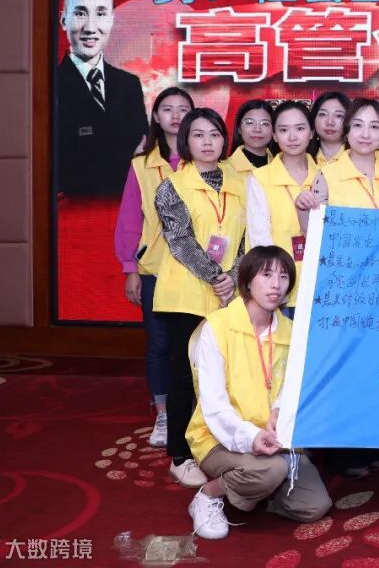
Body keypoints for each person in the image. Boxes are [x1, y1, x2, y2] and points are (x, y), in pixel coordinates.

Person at [185, 246, 332, 539]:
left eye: (283, 276)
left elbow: (293, 387)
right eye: (266, 275)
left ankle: (257, 490)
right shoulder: (217, 327)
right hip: (219, 437)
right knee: (271, 470)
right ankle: (209, 494)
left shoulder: (291, 332)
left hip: (276, 440)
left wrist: (279, 412)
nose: (276, 284)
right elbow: (213, 405)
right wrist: (251, 436)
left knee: (315, 506)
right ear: (247, 281)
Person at [297, 97, 379, 479]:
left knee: (378, 367)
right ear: (346, 131)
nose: (365, 133)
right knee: (345, 371)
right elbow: (313, 234)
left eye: (374, 126)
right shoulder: (328, 174)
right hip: (344, 288)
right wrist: (303, 208)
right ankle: (342, 453)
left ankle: (373, 443)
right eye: (357, 125)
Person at [153, 107, 246, 489]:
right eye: (198, 135)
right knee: (183, 377)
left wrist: (234, 277)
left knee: (224, 376)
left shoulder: (240, 182)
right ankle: (180, 455)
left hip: (228, 297)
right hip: (186, 295)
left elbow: (247, 237)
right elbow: (180, 240)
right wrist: (216, 276)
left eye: (215, 134)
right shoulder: (171, 186)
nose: (208, 142)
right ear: (185, 141)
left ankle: (216, 446)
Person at [114, 87, 193, 448]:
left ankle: (197, 413)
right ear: (156, 117)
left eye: (183, 109)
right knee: (160, 343)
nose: (175, 115)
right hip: (156, 269)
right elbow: (130, 220)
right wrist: (130, 267)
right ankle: (162, 413)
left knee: (197, 343)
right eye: (167, 109)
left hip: (198, 270)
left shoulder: (206, 160)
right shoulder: (141, 165)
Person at [56, 0, 149, 197]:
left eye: (100, 13)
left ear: (111, 19)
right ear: (64, 20)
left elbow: (143, 149)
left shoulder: (129, 85)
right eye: (80, 13)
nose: (90, 27)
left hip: (126, 205)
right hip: (70, 211)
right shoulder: (48, 87)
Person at [246, 101, 318, 319]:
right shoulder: (260, 178)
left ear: (311, 133)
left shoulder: (326, 176)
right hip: (279, 291)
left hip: (320, 285)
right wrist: (274, 283)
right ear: (275, 136)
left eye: (300, 128)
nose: (292, 137)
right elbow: (259, 239)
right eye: (284, 130)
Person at [226, 99, 274, 177]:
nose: (257, 129)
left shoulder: (283, 166)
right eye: (249, 122)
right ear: (239, 128)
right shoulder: (222, 169)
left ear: (273, 129)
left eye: (265, 124)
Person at [310, 91, 351, 166]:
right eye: (323, 114)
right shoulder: (302, 158)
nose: (330, 122)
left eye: (338, 116)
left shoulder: (359, 158)